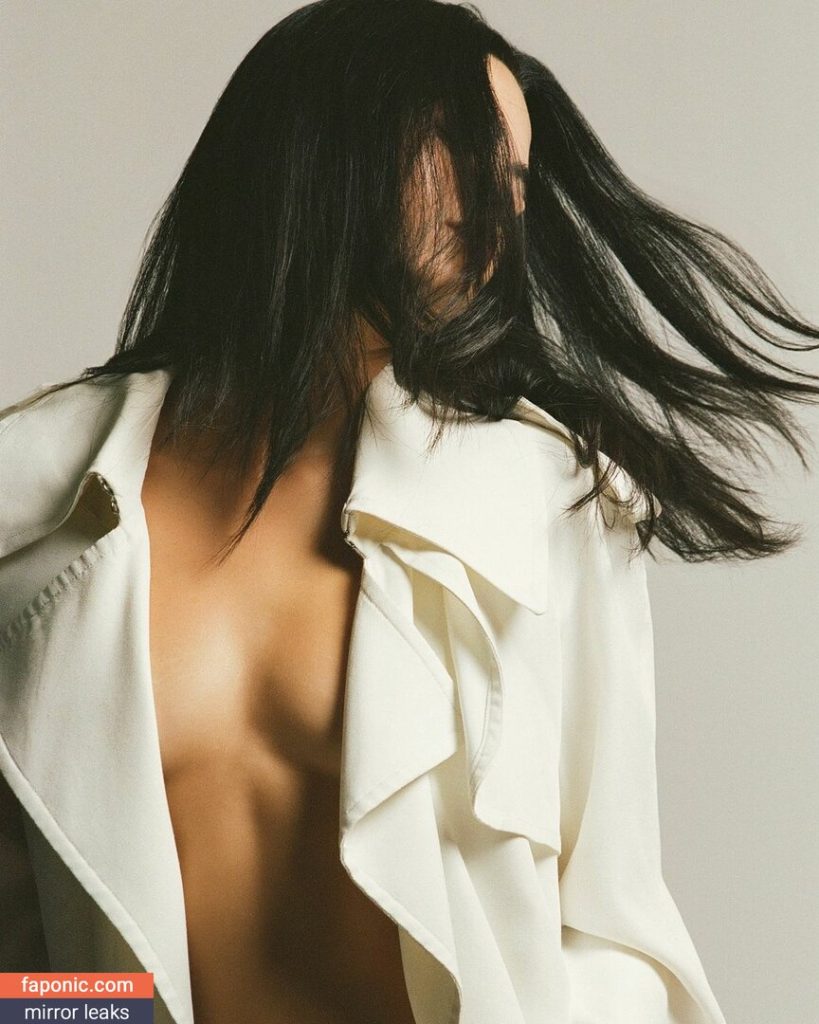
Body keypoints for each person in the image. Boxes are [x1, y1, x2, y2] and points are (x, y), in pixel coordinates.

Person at [1, 1, 817, 1022]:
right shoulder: (37, 502)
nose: (497, 207)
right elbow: (26, 954)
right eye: (460, 151)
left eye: (513, 180)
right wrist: (78, 1010)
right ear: (322, 145)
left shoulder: (548, 503)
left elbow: (615, 927)